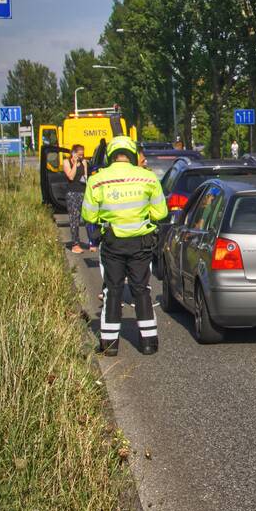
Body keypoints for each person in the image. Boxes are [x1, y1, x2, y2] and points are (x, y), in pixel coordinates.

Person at [82, 136, 168, 356]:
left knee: (113, 290)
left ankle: (110, 345)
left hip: (112, 243)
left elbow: (88, 214)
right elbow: (161, 213)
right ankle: (149, 343)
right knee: (142, 290)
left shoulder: (97, 180)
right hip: (141, 243)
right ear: (132, 154)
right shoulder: (148, 178)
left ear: (111, 155)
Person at [63, 144, 88, 253]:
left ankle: (92, 241)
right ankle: (75, 244)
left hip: (83, 192)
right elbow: (71, 176)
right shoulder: (66, 162)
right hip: (72, 193)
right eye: (79, 154)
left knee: (88, 218)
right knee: (74, 219)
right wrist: (74, 164)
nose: (81, 156)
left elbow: (85, 178)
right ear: (73, 154)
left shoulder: (84, 162)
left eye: (82, 154)